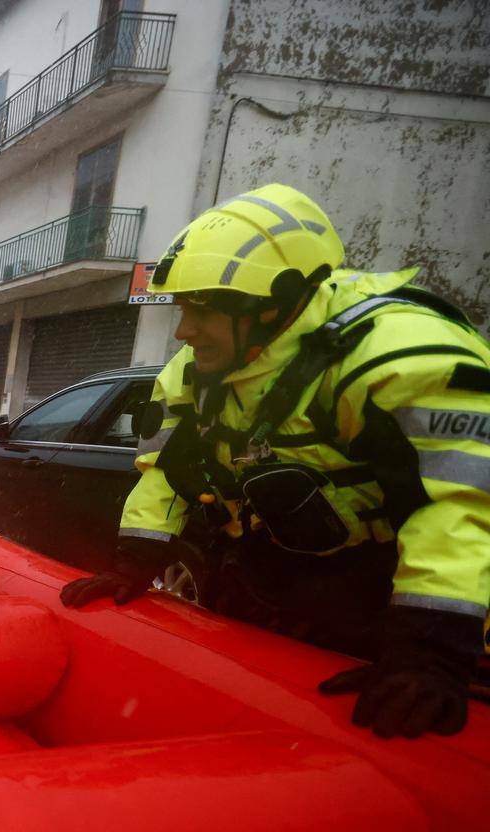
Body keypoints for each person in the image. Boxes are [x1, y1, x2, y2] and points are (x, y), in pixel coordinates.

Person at [60, 183, 490, 739]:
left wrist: (429, 650)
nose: (184, 331)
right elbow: (164, 469)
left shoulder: (399, 357)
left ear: (271, 307)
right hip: (274, 575)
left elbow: (461, 506)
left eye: (202, 310)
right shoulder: (198, 370)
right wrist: (136, 558)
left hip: (393, 600)